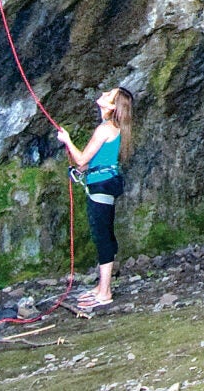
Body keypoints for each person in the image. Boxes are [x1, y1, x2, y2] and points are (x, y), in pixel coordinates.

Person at [57, 88, 132, 314]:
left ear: (112, 107)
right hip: (104, 183)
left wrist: (67, 140)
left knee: (102, 237)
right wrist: (79, 169)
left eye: (110, 94)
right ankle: (101, 285)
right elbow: (87, 163)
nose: (104, 92)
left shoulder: (104, 129)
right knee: (104, 233)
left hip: (101, 186)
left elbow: (81, 158)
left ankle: (105, 292)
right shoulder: (113, 129)